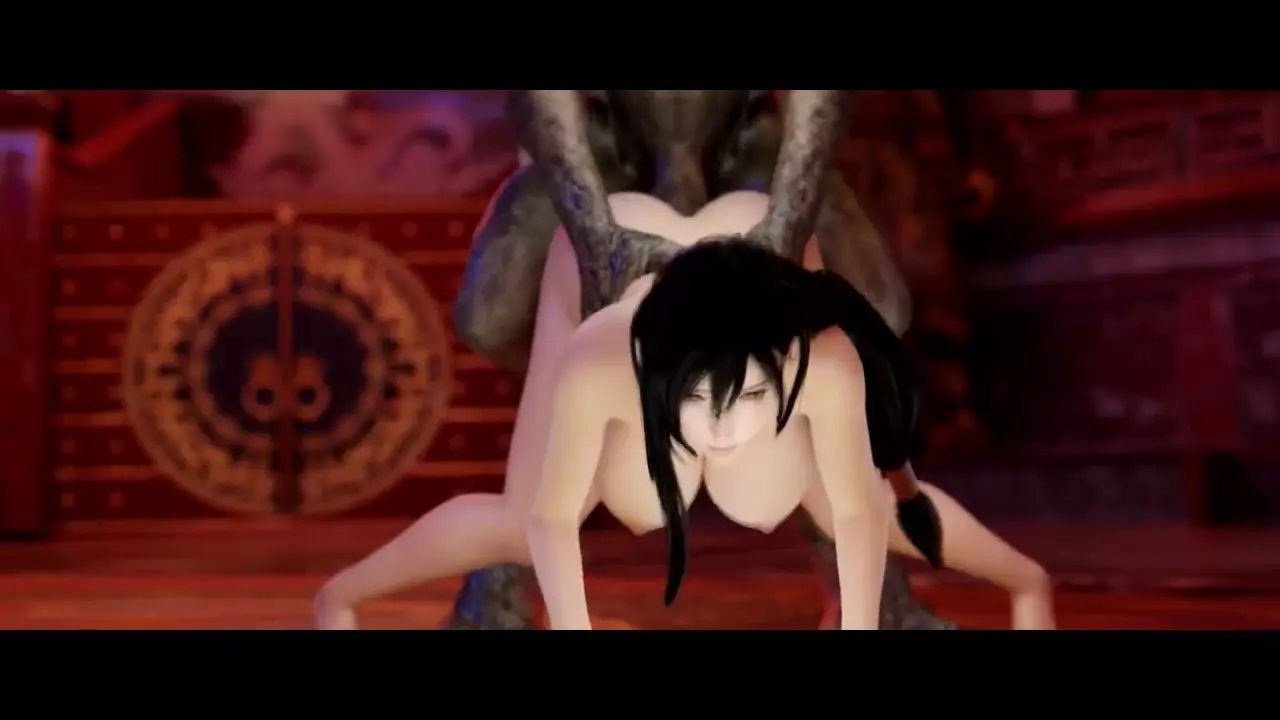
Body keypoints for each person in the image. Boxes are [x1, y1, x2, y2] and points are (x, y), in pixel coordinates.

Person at [314, 192, 1056, 630]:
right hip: (606, 259)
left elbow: (866, 510)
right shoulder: (604, 355)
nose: (722, 430)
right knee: (523, 516)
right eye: (700, 404)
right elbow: (548, 519)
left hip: (756, 255)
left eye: (749, 400)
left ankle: (1027, 580)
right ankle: (339, 594)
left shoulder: (821, 358)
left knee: (828, 501)